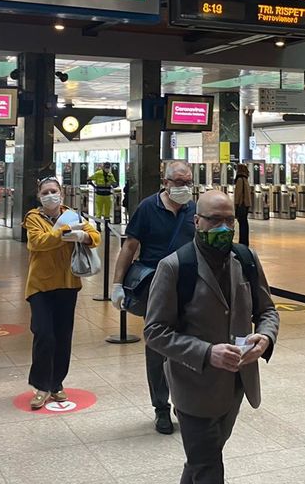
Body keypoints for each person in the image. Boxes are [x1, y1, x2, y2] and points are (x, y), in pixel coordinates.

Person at [145, 190, 279, 483]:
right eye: (215, 219)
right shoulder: (175, 267)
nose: (224, 228)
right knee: (208, 467)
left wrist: (265, 338)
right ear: (196, 221)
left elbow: (267, 311)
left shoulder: (246, 259)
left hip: (235, 385)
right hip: (193, 387)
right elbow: (154, 332)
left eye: (229, 220)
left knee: (202, 458)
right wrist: (207, 352)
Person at [111, 161, 197, 434]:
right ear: (166, 182)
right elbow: (130, 247)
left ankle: (185, 405)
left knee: (189, 348)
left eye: (188, 182)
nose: (185, 188)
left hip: (191, 289)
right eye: (180, 182)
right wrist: (117, 284)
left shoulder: (195, 209)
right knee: (157, 349)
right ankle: (161, 407)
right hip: (156, 289)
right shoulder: (148, 207)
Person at [23, 177, 101, 409]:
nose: (50, 196)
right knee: (44, 334)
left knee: (63, 336)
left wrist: (83, 236)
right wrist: (65, 232)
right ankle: (40, 384)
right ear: (39, 196)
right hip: (40, 286)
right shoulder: (33, 218)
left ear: (62, 194)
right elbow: (37, 242)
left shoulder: (72, 214)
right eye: (45, 192)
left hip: (68, 284)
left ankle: (56, 383)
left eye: (54, 191)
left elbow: (95, 237)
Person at [232, 164, 253, 246]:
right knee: (244, 223)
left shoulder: (240, 179)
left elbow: (238, 194)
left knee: (242, 223)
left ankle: (243, 241)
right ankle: (245, 241)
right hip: (246, 204)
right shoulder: (245, 179)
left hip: (241, 204)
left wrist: (236, 205)